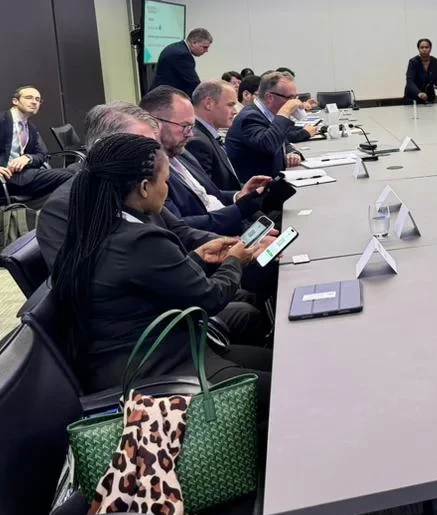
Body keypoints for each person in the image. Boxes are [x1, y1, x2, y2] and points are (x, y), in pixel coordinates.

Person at [49, 133, 274, 415]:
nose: (166, 190)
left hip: (133, 361)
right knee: (285, 388)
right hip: (157, 372)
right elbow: (210, 298)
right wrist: (234, 261)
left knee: (278, 361)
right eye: (166, 182)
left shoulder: (93, 229)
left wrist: (197, 258)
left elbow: (146, 281)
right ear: (144, 187)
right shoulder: (140, 240)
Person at [36, 102, 270, 345]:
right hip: (143, 330)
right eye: (143, 144)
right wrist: (229, 260)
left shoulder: (135, 195)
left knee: (253, 297)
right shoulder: (63, 208)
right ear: (108, 147)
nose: (157, 153)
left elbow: (179, 231)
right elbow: (88, 291)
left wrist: (235, 244)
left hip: (169, 297)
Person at [141, 87, 269, 236]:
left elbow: (209, 195)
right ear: (155, 124)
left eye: (192, 126)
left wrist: (239, 195)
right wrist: (238, 210)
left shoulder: (182, 153)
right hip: (214, 239)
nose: (190, 134)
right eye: (185, 126)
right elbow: (178, 226)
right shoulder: (151, 171)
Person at [0, 85, 72, 201]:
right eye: (29, 97)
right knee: (70, 176)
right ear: (15, 101)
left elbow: (42, 154)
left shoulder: (31, 128)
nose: (34, 102)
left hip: (21, 176)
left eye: (37, 99)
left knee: (75, 173)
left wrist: (28, 158)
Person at [226, 71, 305, 181]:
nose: (294, 102)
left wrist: (292, 152)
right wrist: (285, 111)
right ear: (269, 97)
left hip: (273, 180)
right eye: (290, 98)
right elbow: (268, 145)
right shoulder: (249, 117)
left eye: (295, 97)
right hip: (256, 186)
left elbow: (283, 140)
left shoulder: (267, 114)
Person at [188, 80, 244, 191]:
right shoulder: (197, 142)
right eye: (230, 105)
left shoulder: (206, 134)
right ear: (209, 103)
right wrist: (239, 195)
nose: (235, 111)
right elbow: (206, 193)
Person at [149, 27, 212, 96]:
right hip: (165, 97)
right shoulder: (182, 55)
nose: (206, 51)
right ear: (194, 42)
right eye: (204, 47)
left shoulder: (177, 47)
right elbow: (193, 83)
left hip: (162, 94)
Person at [404, 39, 437, 104]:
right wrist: (419, 93)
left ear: (430, 48)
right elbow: (410, 81)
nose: (424, 49)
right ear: (418, 49)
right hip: (413, 97)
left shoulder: (436, 62)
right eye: (422, 47)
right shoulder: (413, 62)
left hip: (429, 97)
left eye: (426, 47)